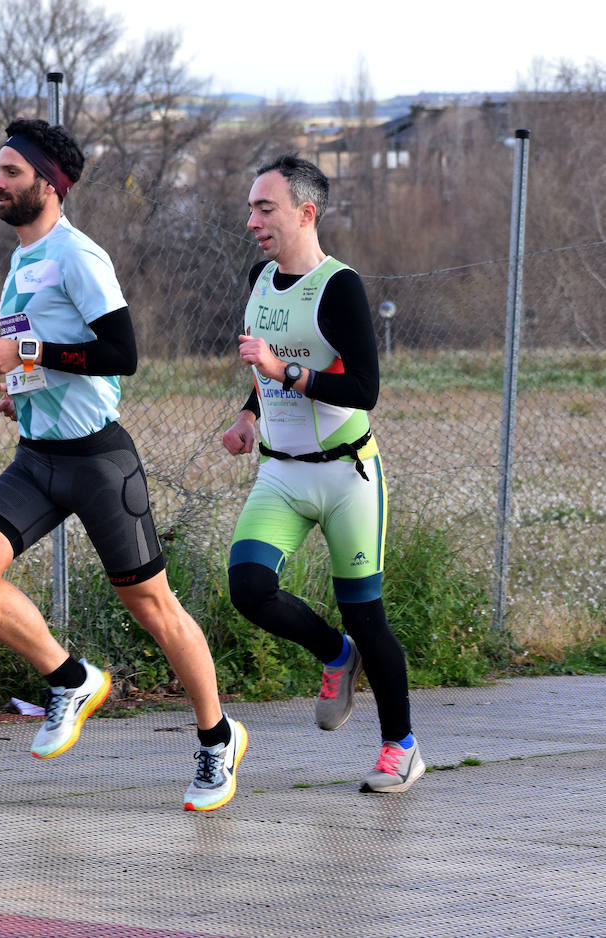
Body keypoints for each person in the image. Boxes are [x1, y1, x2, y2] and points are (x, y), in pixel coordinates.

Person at [0, 118, 246, 813]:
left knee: (153, 607)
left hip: (98, 462)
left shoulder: (79, 256)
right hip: (37, 459)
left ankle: (217, 738)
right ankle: (71, 678)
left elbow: (121, 354)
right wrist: (22, 391)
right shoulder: (23, 259)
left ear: (49, 185)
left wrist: (26, 356)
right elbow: (55, 352)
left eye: (11, 172)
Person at [221, 154, 423, 794]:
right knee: (249, 588)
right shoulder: (259, 279)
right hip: (280, 474)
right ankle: (336, 655)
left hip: (345, 476)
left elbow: (364, 389)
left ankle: (401, 747)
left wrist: (284, 373)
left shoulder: (340, 287)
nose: (253, 221)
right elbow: (266, 367)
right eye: (251, 209)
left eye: (265, 209)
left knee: (366, 613)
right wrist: (249, 414)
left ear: (305, 213)